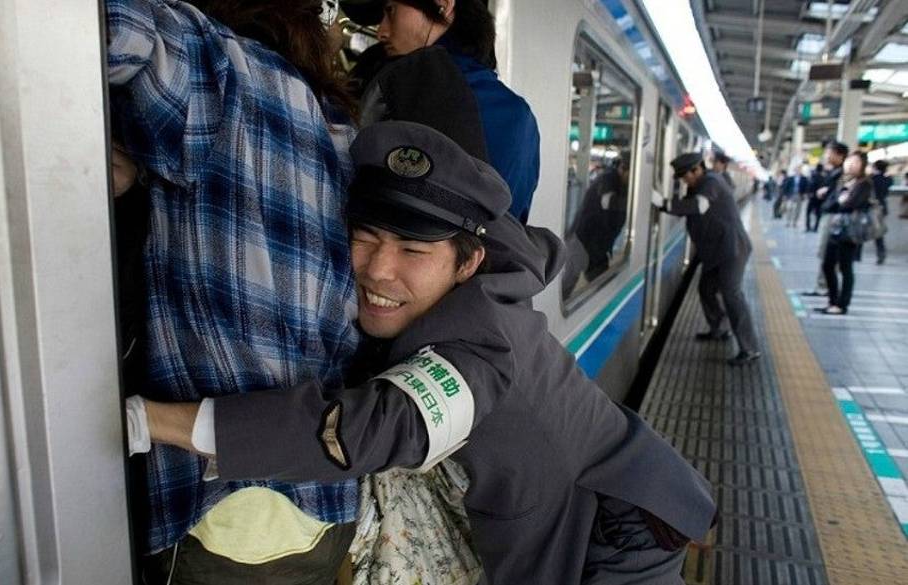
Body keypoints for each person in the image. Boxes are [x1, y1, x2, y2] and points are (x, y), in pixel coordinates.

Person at [128, 120, 718, 585]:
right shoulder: (480, 265)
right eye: (364, 237)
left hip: (616, 525)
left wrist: (157, 420)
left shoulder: (481, 348)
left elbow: (377, 427)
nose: (379, 270)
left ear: (468, 262)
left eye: (413, 249)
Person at [108, 0, 362, 582]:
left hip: (223, 504)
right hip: (324, 503)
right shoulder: (340, 132)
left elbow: (100, 28)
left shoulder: (214, 68)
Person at [359, 0, 541, 223]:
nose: (381, 32)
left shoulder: (405, 95)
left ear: (442, 5)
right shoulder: (522, 115)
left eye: (391, 11)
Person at [652, 152, 761, 365]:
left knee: (732, 295)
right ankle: (719, 329)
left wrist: (662, 202)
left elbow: (698, 206)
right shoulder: (697, 185)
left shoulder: (712, 181)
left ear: (698, 169)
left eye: (685, 175)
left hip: (731, 250)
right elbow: (685, 207)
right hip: (715, 251)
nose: (684, 180)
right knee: (706, 289)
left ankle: (750, 349)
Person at [817, 151, 874, 315]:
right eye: (850, 161)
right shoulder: (843, 181)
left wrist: (842, 200)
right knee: (827, 265)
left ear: (862, 165)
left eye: (856, 162)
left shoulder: (864, 183)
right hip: (836, 229)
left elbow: (851, 204)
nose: (851, 164)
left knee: (845, 268)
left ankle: (842, 305)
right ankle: (832, 301)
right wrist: (840, 199)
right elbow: (829, 205)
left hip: (850, 232)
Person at [571, 152, 630, 282]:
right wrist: (633, 201)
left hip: (598, 243)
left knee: (597, 279)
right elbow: (606, 202)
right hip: (588, 239)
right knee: (589, 280)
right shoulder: (609, 177)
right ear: (624, 168)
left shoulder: (622, 183)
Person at [802, 141, 849, 298]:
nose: (826, 156)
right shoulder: (835, 172)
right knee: (824, 252)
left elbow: (840, 196)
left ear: (839, 155)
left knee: (827, 253)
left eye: (828, 152)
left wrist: (826, 192)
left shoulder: (841, 173)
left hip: (833, 216)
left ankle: (824, 286)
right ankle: (823, 285)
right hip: (828, 214)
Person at [871, 159, 892, 265]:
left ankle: (856, 254)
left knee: (860, 229)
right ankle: (881, 253)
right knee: (878, 233)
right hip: (882, 207)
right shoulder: (888, 179)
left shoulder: (872, 178)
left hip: (871, 207)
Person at [806, 163, 826, 232]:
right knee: (818, 214)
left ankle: (808, 227)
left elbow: (810, 185)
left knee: (808, 212)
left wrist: (809, 193)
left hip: (812, 197)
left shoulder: (813, 176)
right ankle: (815, 228)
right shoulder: (823, 177)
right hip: (819, 198)